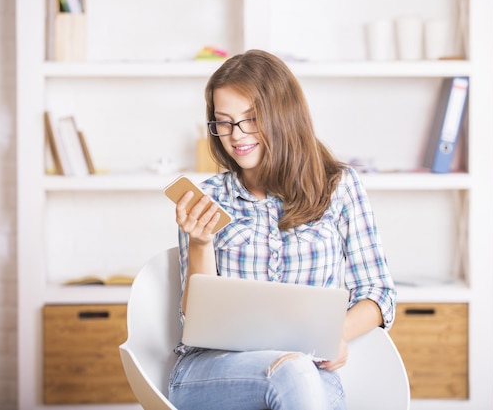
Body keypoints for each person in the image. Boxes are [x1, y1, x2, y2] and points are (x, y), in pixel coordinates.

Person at [169, 49, 396, 410]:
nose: (235, 135)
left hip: (311, 373)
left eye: (251, 119)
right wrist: (200, 242)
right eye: (223, 121)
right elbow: (193, 319)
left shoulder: (340, 186)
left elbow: (378, 294)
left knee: (296, 374)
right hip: (216, 371)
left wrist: (337, 335)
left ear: (283, 116)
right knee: (291, 374)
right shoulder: (209, 198)